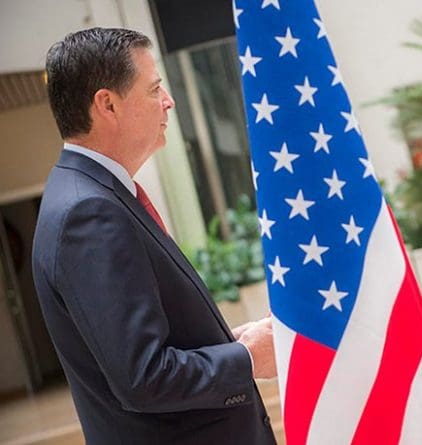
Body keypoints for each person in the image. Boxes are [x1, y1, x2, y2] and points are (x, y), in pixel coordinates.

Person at [32, 28, 277, 445]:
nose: (169, 101)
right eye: (155, 89)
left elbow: (138, 349)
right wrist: (249, 358)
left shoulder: (91, 197)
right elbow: (144, 377)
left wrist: (228, 342)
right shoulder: (88, 213)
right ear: (107, 104)